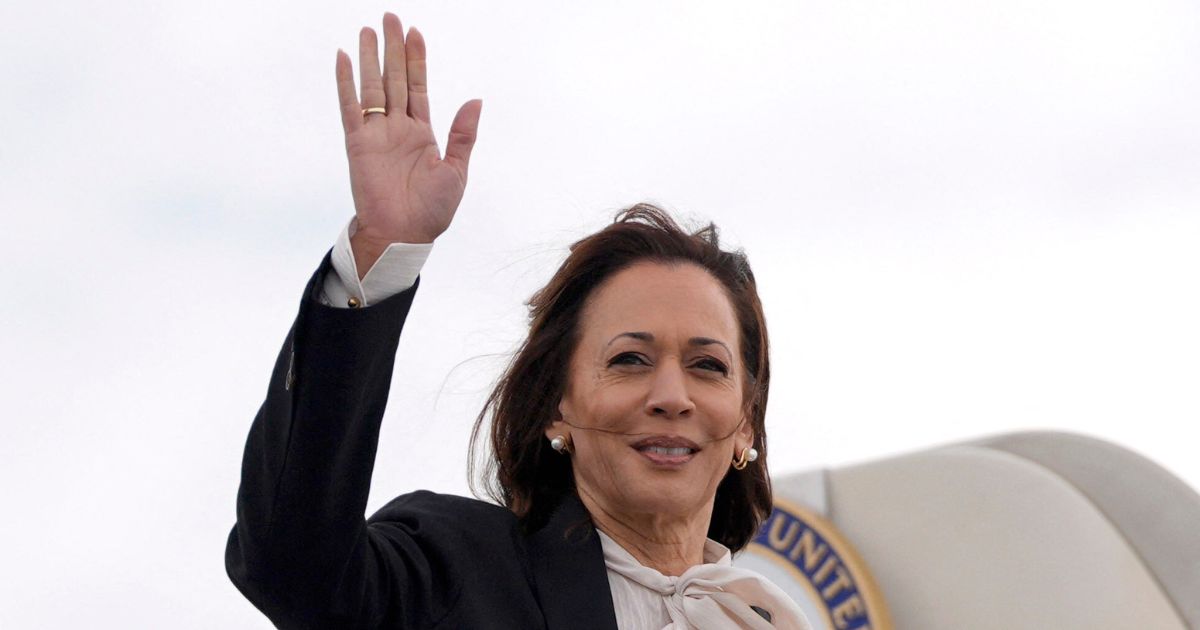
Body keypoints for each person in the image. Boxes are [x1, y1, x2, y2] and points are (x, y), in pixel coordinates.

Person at [225, 13, 811, 630]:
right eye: (629, 359)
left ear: (745, 422)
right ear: (559, 406)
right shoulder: (452, 571)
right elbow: (293, 566)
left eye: (708, 366)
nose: (671, 396)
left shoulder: (771, 619)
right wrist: (381, 250)